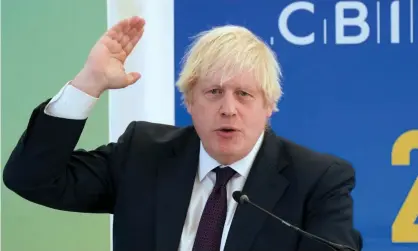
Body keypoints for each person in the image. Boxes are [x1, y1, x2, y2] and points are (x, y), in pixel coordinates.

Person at [3, 16, 362, 251]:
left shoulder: (317, 180)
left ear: (270, 105)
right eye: (213, 92)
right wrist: (89, 83)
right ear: (188, 101)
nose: (228, 108)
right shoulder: (142, 155)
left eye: (244, 95)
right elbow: (32, 178)